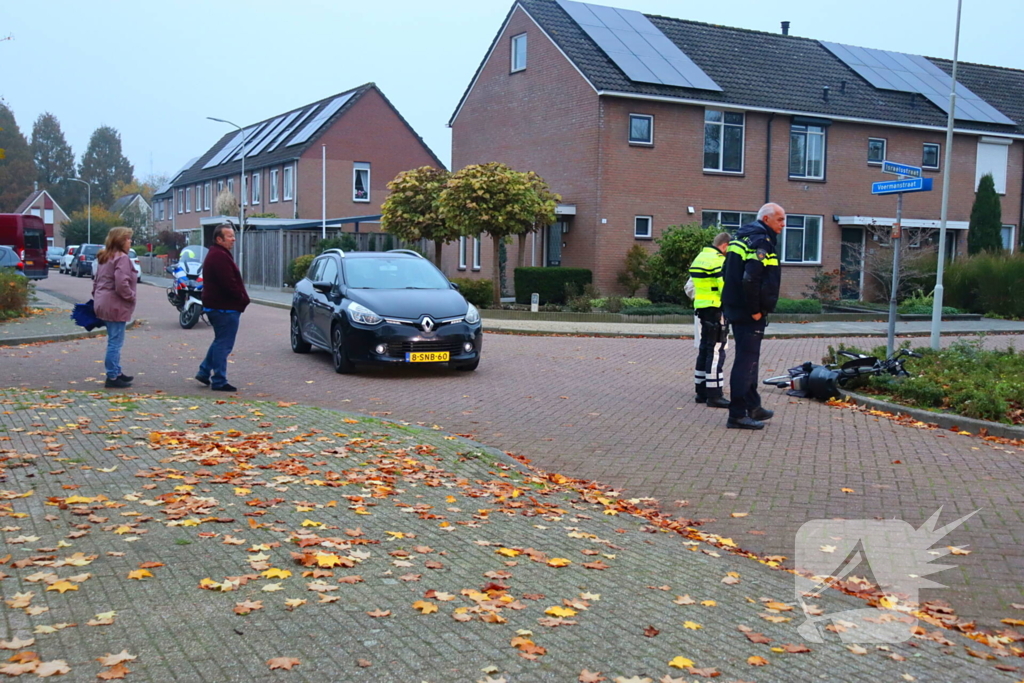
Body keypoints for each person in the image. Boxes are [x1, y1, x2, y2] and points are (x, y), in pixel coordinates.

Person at [721, 203, 784, 430]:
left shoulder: (741, 238)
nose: (783, 224)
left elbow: (726, 271)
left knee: (749, 360)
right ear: (766, 219)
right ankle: (737, 415)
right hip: (749, 312)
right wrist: (755, 309)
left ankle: (753, 406)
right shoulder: (760, 241)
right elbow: (751, 278)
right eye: (780, 219)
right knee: (746, 362)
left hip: (735, 307)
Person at [196, 223, 249, 392]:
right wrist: (241, 298)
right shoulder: (219, 256)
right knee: (224, 344)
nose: (233, 239)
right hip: (224, 308)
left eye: (233, 236)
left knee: (219, 341)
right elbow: (229, 284)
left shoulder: (217, 254)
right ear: (219, 239)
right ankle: (219, 380)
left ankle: (204, 371)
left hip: (218, 306)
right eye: (230, 236)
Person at [92, 227, 137, 389]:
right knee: (115, 342)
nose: (130, 241)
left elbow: (96, 280)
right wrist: (130, 296)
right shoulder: (122, 258)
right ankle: (112, 375)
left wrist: (97, 297)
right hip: (115, 304)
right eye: (127, 239)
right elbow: (121, 283)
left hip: (102, 301)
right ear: (120, 241)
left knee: (114, 339)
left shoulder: (105, 257)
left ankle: (117, 371)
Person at [691, 231, 732, 408]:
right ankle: (714, 394)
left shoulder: (700, 257)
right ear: (725, 246)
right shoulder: (718, 260)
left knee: (704, 349)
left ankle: (701, 391)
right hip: (716, 309)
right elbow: (725, 288)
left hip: (702, 308)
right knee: (716, 351)